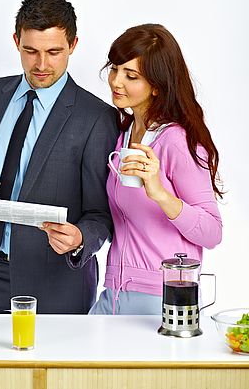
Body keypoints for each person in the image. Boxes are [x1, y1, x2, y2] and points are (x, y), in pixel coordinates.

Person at [0, 0, 119, 314]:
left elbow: (101, 214)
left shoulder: (96, 117)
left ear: (73, 45)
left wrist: (79, 239)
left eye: (54, 51)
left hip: (57, 280)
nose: (42, 64)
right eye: (30, 50)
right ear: (16, 40)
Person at [89, 23, 223, 315]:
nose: (116, 82)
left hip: (162, 298)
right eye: (115, 69)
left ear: (156, 86)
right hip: (114, 292)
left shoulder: (176, 141)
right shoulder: (123, 135)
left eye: (131, 75)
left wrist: (160, 193)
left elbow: (212, 232)